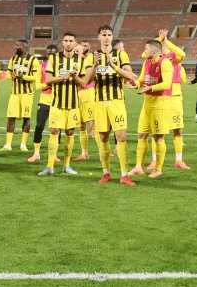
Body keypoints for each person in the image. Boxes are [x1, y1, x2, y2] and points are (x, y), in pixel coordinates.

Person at [79, 25, 136, 185]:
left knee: (121, 137)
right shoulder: (92, 56)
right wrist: (95, 65)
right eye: (103, 35)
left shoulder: (121, 54)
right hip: (99, 103)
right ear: (99, 37)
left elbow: (130, 75)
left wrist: (113, 66)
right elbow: (86, 80)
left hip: (117, 102)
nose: (106, 37)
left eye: (109, 35)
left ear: (112, 37)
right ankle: (106, 173)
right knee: (103, 138)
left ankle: (124, 175)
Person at [38, 32, 84, 176]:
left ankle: (66, 165)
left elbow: (83, 83)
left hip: (73, 104)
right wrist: (65, 76)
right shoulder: (54, 58)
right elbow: (48, 80)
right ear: (62, 42)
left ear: (75, 43)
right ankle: (49, 166)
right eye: (66, 40)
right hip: (57, 103)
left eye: (71, 41)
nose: (68, 43)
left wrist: (74, 76)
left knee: (70, 133)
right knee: (54, 131)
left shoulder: (80, 60)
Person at [129, 39, 174, 178]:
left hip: (160, 104)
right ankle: (139, 167)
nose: (144, 51)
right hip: (147, 104)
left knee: (158, 137)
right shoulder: (146, 62)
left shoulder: (165, 63)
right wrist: (136, 84)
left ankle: (158, 169)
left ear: (154, 51)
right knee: (141, 135)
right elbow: (142, 79)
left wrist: (150, 88)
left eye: (146, 49)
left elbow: (167, 84)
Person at [152, 29, 190, 170]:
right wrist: (159, 40)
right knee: (157, 130)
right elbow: (144, 54)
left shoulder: (174, 56)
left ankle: (179, 160)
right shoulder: (153, 58)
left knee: (177, 128)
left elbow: (182, 54)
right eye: (158, 42)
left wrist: (167, 41)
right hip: (159, 96)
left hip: (174, 96)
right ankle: (154, 161)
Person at [1, 39, 40, 152]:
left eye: (17, 45)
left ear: (24, 47)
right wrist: (12, 76)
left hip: (27, 94)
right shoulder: (13, 59)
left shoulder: (33, 60)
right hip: (14, 94)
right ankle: (8, 144)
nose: (15, 47)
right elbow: (7, 75)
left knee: (26, 118)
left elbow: (37, 78)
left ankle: (23, 144)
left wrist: (24, 77)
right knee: (10, 118)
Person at [27, 43, 59, 162]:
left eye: (53, 54)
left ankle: (54, 154)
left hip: (57, 101)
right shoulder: (42, 67)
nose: (50, 56)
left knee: (56, 128)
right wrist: (49, 84)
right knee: (39, 126)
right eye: (49, 54)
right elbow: (38, 86)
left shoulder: (61, 67)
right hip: (44, 101)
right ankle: (36, 153)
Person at [74, 40, 97, 160]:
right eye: (76, 50)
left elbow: (87, 79)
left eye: (79, 50)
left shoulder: (86, 61)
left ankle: (101, 152)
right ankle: (84, 153)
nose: (77, 52)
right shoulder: (73, 62)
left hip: (88, 93)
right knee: (82, 126)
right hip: (77, 94)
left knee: (93, 125)